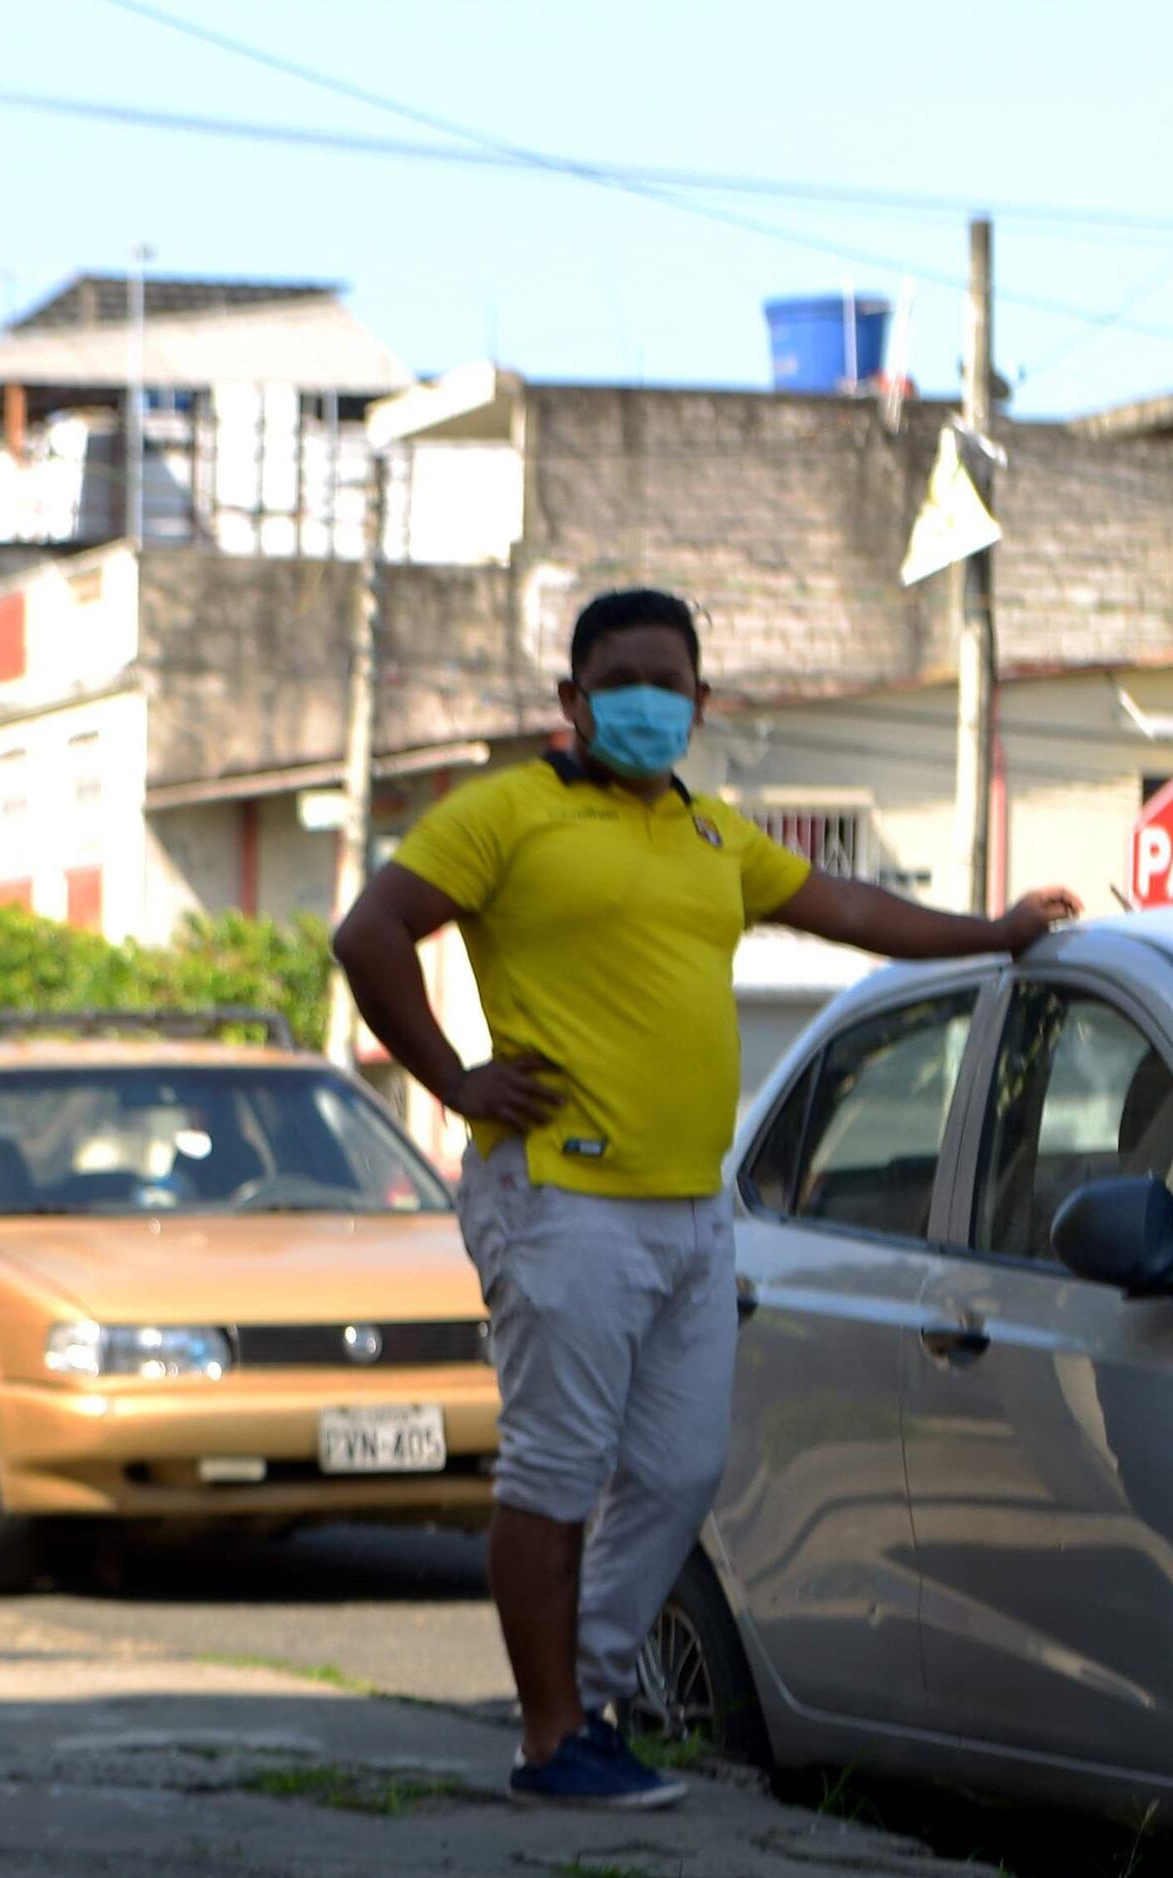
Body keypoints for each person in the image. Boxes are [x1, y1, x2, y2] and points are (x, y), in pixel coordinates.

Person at [333, 584, 1079, 1811]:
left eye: (666, 683)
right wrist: (452, 1075)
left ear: (699, 700)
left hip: (691, 1207)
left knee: (679, 1472)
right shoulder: (502, 816)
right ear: (570, 701)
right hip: (559, 1199)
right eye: (617, 681)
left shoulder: (713, 837)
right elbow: (370, 935)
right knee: (555, 1469)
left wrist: (992, 932)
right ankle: (548, 1736)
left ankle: (580, 1695)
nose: (644, 702)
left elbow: (854, 911)